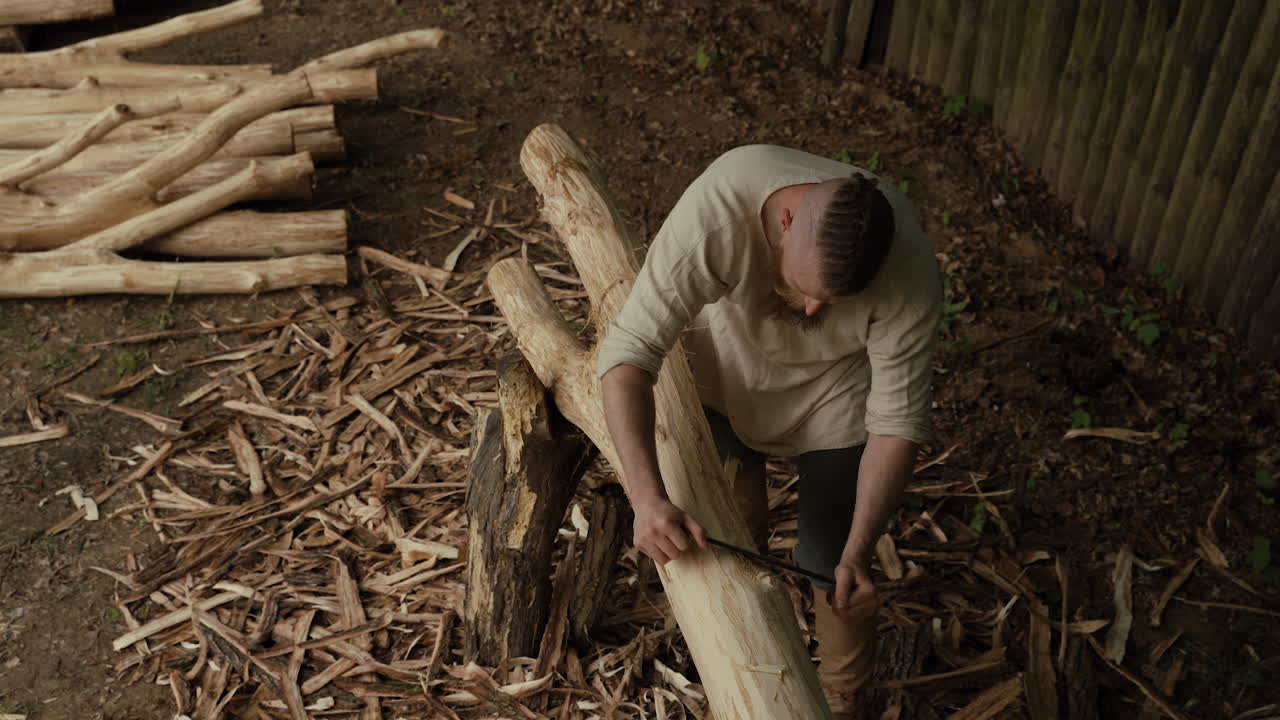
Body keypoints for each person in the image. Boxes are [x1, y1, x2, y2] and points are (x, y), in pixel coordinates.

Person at [597, 145, 942, 718]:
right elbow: (628, 355)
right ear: (785, 220)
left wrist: (859, 552)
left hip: (836, 393)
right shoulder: (718, 207)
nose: (811, 310)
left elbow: (896, 425)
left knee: (830, 556)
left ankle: (842, 698)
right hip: (727, 366)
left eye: (830, 301)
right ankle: (734, 658)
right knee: (723, 527)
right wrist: (646, 498)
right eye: (803, 286)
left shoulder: (908, 269)